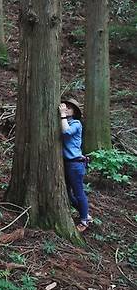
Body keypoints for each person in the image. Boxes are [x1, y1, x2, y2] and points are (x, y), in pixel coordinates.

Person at [59, 98, 92, 232]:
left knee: (78, 193)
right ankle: (86, 214)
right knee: (67, 194)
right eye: (64, 106)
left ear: (74, 112)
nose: (66, 109)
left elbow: (66, 132)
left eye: (69, 108)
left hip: (75, 164)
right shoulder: (63, 122)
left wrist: (62, 114)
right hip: (67, 164)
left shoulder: (76, 123)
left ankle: (84, 220)